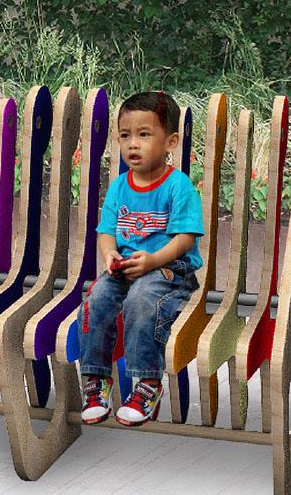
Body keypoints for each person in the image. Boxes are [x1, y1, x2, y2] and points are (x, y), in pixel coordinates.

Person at [78, 90, 204, 427]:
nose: (133, 144)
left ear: (170, 142)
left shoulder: (178, 186)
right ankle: (96, 380)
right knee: (94, 299)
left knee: (142, 299)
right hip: (126, 268)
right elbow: (106, 231)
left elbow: (185, 239)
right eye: (125, 135)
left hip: (168, 271)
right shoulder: (120, 187)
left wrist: (152, 261)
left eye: (144, 135)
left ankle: (147, 383)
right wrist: (109, 254)